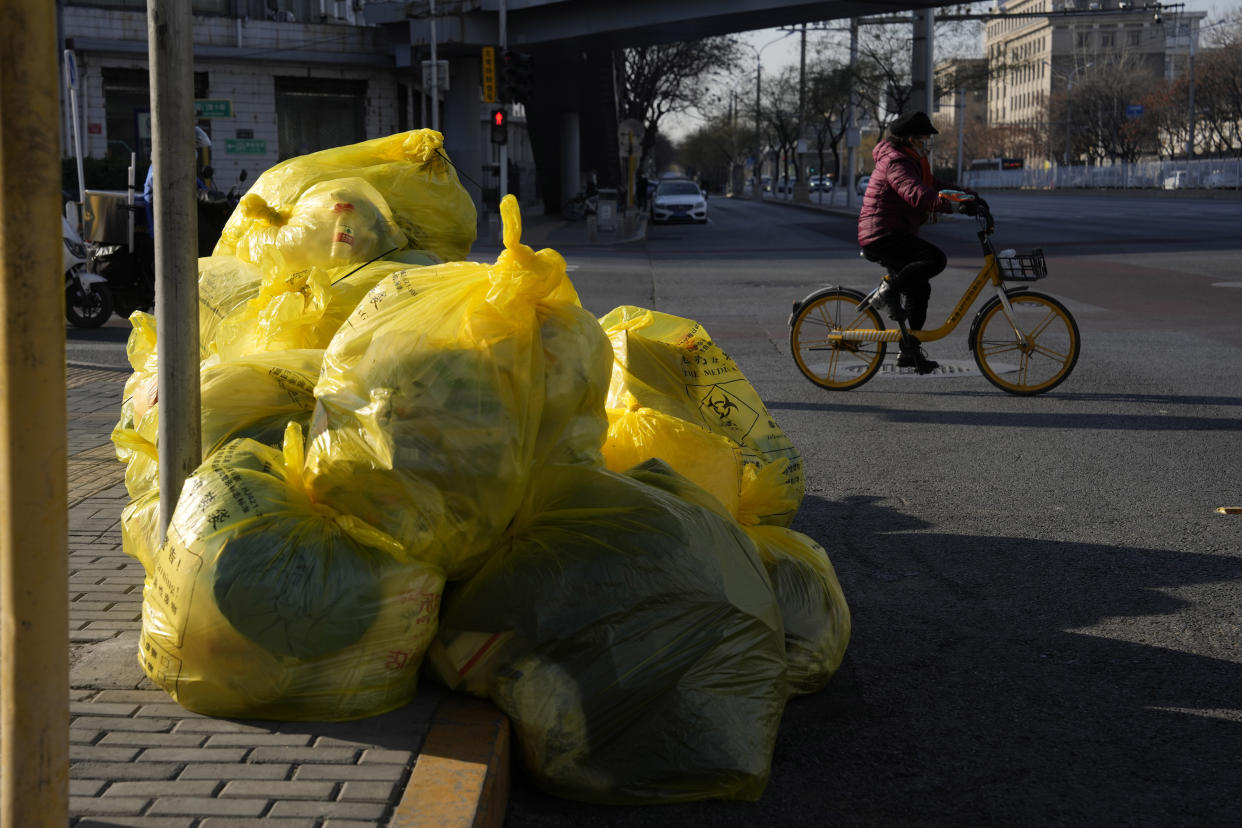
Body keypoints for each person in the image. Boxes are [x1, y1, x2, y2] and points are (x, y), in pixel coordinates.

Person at [857, 110, 979, 373]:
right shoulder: (897, 162)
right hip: (881, 233)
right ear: (910, 139)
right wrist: (950, 206)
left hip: (893, 231)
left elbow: (934, 185)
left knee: (920, 289)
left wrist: (970, 197)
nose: (928, 142)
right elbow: (915, 192)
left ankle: (909, 351)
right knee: (935, 259)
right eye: (924, 137)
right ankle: (890, 291)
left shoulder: (913, 160)